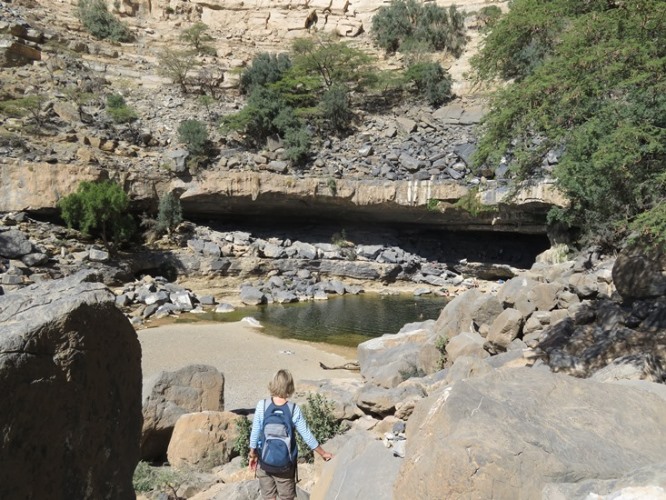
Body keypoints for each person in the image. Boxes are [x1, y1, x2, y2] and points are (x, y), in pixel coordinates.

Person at [249, 369, 334, 500]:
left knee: (269, 497)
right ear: (290, 386)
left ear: (273, 383)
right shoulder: (293, 409)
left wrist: (252, 455)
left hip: (265, 461)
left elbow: (255, 433)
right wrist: (323, 453)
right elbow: (306, 435)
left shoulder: (262, 405)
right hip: (285, 466)